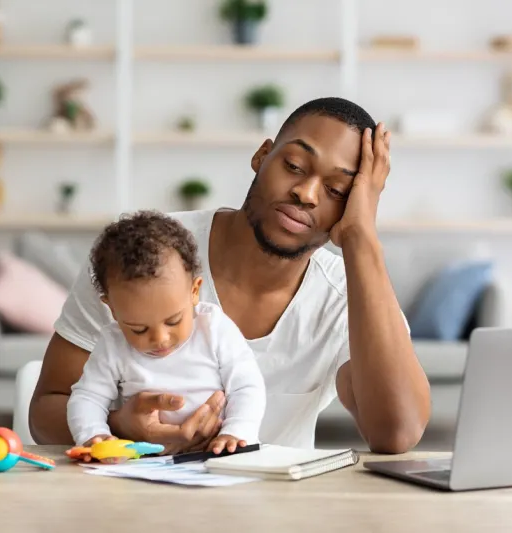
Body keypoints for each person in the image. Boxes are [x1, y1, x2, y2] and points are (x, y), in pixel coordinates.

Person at [30, 96, 431, 453]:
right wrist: (121, 427)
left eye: (337, 191)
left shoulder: (346, 296)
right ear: (262, 156)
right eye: (293, 165)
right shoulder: (136, 257)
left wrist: (362, 237)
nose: (307, 193)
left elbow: (395, 433)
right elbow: (45, 410)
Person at [66, 212, 265, 455]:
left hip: (214, 456)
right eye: (139, 329)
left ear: (194, 291)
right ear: (111, 308)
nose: (160, 339)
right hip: (144, 460)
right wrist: (94, 435)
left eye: (173, 321)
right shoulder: (113, 343)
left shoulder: (213, 328)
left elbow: (247, 386)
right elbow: (87, 397)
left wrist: (236, 431)